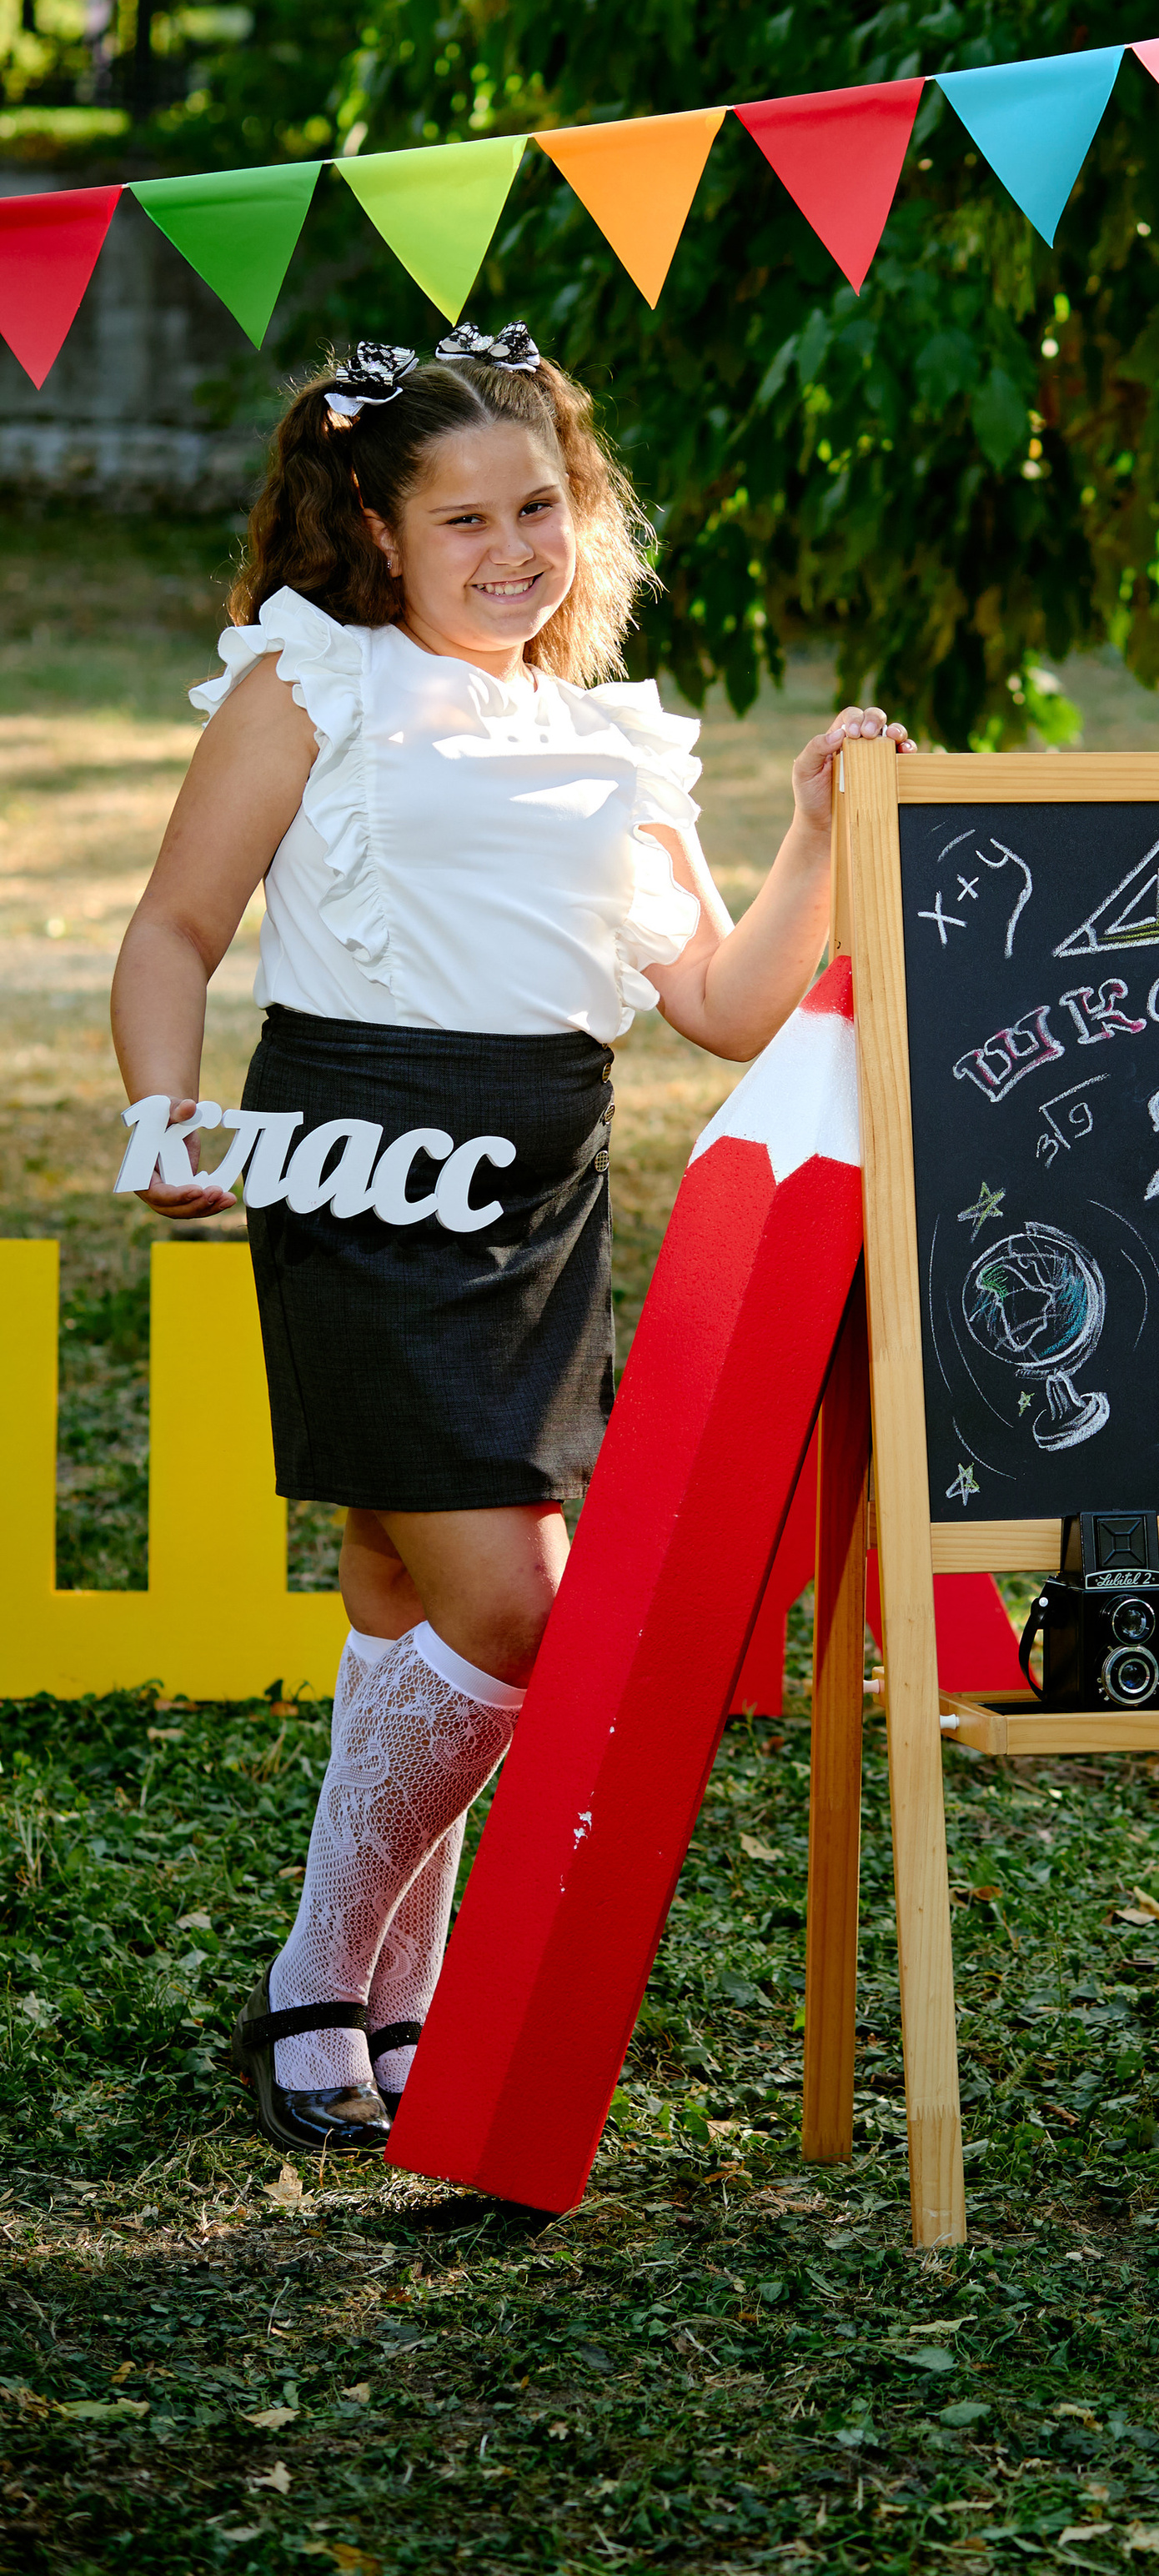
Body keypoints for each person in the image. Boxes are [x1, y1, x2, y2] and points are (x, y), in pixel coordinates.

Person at [111, 322, 909, 2152]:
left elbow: (716, 1000)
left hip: (541, 1206)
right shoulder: (314, 684)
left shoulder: (606, 736)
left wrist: (806, 836)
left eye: (537, 506)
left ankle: (385, 2011)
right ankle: (326, 1973)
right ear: (380, 535)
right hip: (360, 1180)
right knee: (516, 1610)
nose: (507, 550)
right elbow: (171, 928)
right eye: (459, 518)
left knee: (405, 1596)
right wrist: (162, 1110)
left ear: (583, 509)